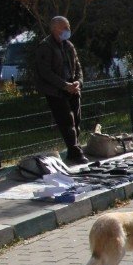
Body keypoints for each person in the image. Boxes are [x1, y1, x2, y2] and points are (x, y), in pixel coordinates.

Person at [33, 16, 88, 164]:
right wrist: (64, 85)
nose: (68, 30)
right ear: (55, 29)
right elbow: (45, 72)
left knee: (76, 121)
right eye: (65, 27)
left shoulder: (69, 45)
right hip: (56, 91)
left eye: (68, 27)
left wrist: (78, 83)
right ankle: (76, 153)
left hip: (73, 88)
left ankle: (73, 151)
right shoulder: (45, 47)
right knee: (67, 122)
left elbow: (78, 67)